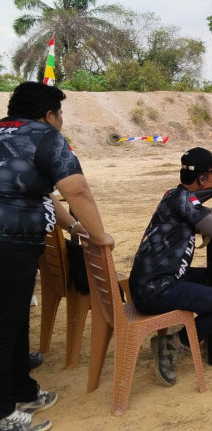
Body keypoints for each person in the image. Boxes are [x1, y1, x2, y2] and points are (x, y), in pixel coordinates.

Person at [0, 82, 114, 431]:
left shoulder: (5, 132)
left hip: (14, 244)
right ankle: (4, 414)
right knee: (4, 325)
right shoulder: (46, 136)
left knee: (16, 318)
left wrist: (76, 228)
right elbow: (76, 189)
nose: (61, 120)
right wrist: (100, 236)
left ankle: (22, 389)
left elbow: (44, 195)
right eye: (60, 113)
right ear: (49, 114)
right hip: (9, 243)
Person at [129, 147, 212, 386]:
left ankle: (208, 333)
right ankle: (171, 345)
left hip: (153, 282)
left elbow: (207, 218)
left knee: (211, 277)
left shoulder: (176, 196)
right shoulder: (184, 201)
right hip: (156, 290)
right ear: (202, 179)